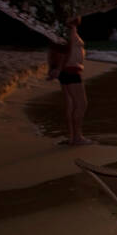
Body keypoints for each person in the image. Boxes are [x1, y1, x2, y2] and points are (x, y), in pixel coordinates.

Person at [46, 16, 93, 145]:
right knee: (81, 104)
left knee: (71, 104)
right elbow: (64, 52)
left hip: (66, 70)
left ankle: (73, 137)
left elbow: (53, 51)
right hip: (71, 70)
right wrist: (58, 69)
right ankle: (77, 137)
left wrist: (53, 69)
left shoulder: (58, 31)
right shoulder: (69, 30)